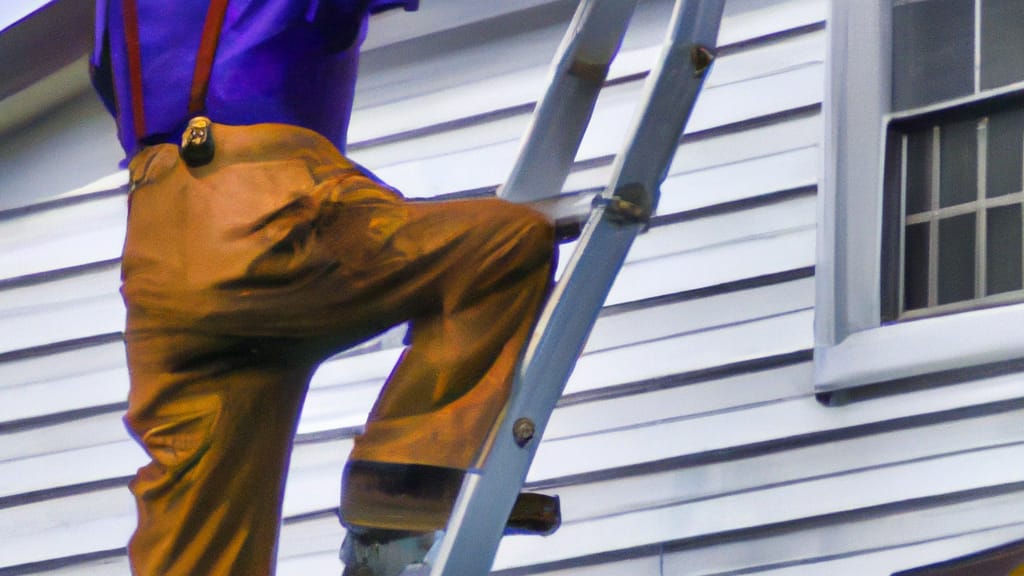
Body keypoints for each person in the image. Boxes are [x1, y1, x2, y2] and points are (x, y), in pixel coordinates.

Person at [90, 1, 557, 574]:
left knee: (199, 539)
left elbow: (111, 79)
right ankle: (402, 476)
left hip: (159, 248)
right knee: (504, 245)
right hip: (267, 215)